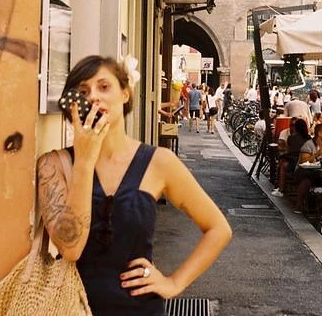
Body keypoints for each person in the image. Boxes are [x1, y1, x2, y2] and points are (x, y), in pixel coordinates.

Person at [37, 55, 232, 314]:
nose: (93, 96)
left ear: (125, 94)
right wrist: (84, 161)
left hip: (141, 308)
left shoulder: (159, 162)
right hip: (70, 308)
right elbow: (70, 249)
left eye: (103, 87)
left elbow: (218, 228)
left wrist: (174, 283)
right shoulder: (53, 165)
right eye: (83, 91)